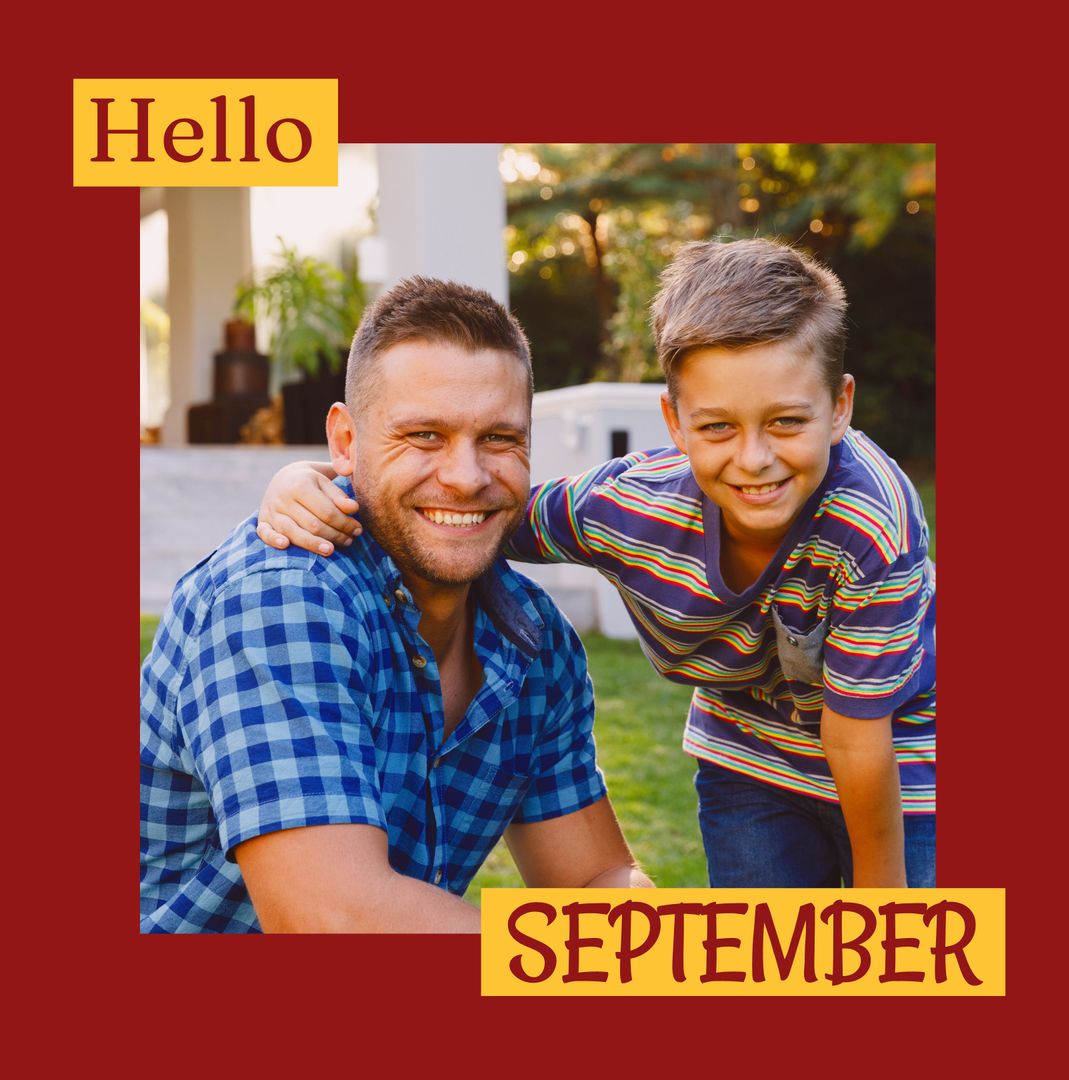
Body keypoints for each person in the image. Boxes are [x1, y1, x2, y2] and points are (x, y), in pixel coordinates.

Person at [258, 238, 936, 890]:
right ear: (674, 422)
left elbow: (856, 735)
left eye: (786, 421)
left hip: (898, 757)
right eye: (717, 426)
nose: (754, 458)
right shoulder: (626, 509)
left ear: (840, 407)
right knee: (768, 954)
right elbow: (468, 512)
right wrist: (314, 481)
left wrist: (884, 902)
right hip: (748, 754)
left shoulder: (871, 519)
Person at [140, 276, 651, 934]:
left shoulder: (532, 641)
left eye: (499, 438)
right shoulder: (281, 598)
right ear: (345, 441)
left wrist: (666, 953)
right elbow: (332, 918)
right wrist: (571, 965)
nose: (466, 477)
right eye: (425, 435)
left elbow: (592, 878)